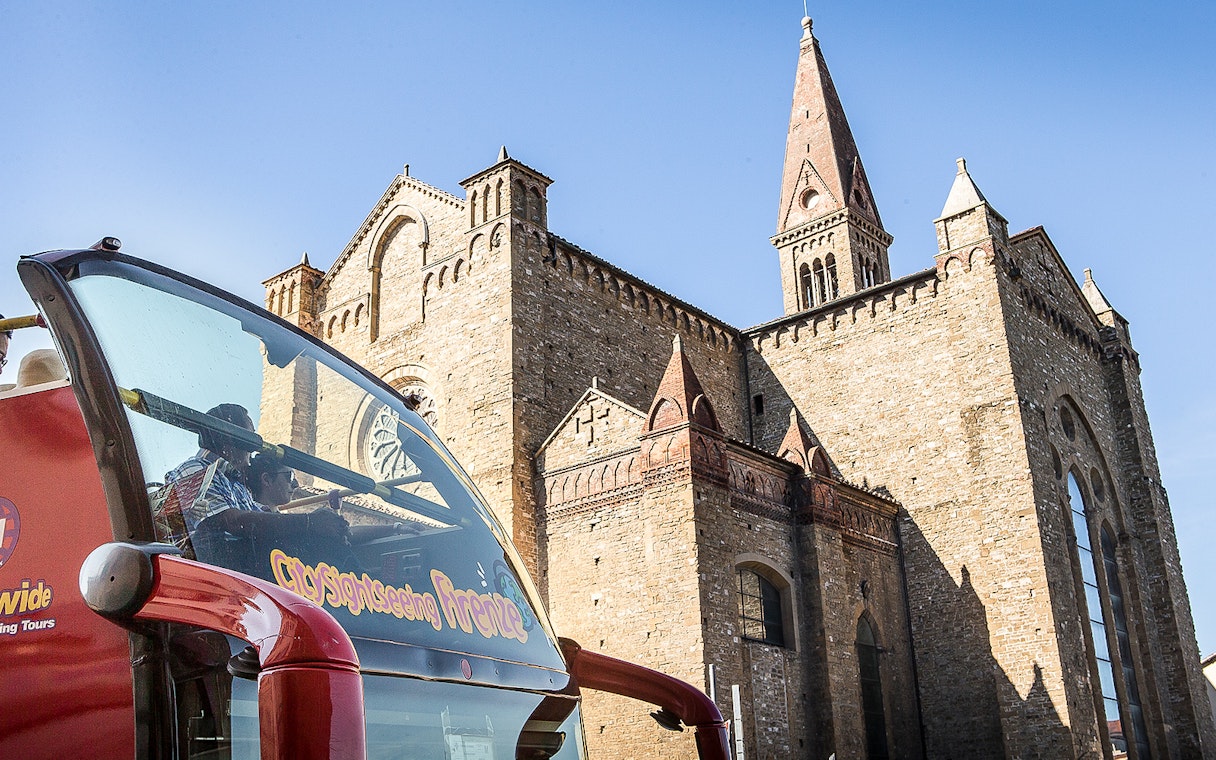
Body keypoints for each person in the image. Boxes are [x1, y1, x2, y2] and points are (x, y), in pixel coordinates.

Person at [157, 404, 348, 566]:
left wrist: (332, 527)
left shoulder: (237, 485)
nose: (255, 447)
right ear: (229, 438)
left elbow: (266, 518)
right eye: (250, 438)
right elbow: (233, 522)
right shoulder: (195, 469)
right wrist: (309, 522)